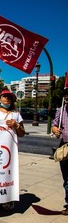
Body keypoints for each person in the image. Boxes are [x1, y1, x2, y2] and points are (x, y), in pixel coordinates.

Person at [51, 87, 68, 215]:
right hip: (65, 146)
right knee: (67, 178)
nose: (67, 98)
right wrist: (55, 129)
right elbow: (54, 124)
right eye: (65, 97)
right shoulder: (61, 111)